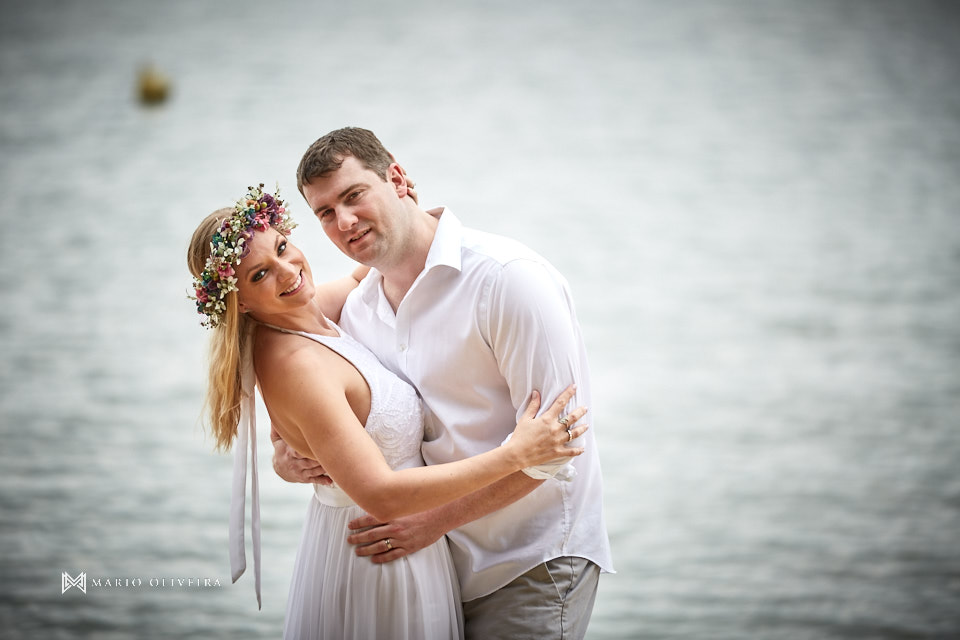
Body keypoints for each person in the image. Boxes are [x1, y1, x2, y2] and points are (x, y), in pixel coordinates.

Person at [186, 185, 589, 640]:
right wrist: (515, 454)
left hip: (404, 545)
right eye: (260, 274)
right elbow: (379, 493)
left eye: (281, 247)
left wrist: (401, 204)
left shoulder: (307, 313)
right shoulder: (295, 362)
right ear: (238, 301)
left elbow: (366, 274)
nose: (287, 270)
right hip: (380, 554)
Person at [275, 127, 615, 639]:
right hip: (428, 572)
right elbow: (284, 355)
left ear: (397, 178)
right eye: (325, 213)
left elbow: (559, 449)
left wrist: (433, 521)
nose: (343, 222)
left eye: (353, 195)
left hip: (529, 561)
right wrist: (285, 457)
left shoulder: (507, 280)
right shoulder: (356, 310)